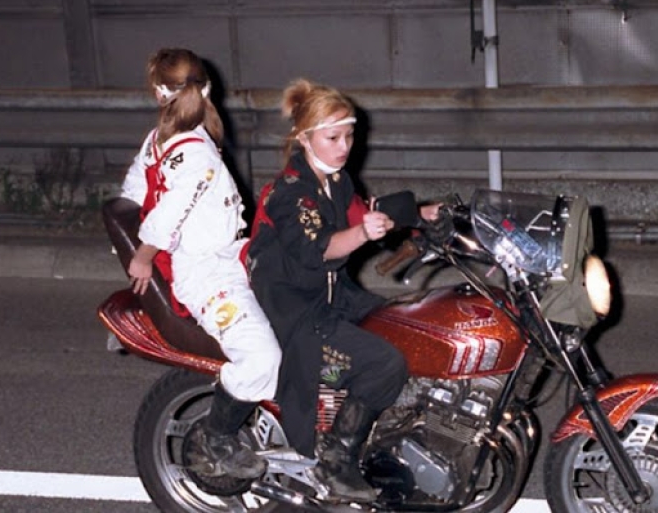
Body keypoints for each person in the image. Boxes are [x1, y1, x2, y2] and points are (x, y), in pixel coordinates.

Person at [247, 79, 438, 502]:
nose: (344, 145)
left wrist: (423, 215)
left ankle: (383, 424)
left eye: (349, 135)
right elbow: (320, 248)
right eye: (333, 137)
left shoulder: (337, 180)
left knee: (404, 324)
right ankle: (336, 455)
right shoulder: (290, 193)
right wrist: (362, 234)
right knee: (384, 363)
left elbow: (365, 215)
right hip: (296, 309)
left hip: (332, 295)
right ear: (305, 138)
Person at [120, 48, 281, 480]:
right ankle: (218, 437)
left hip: (226, 258)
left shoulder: (161, 141)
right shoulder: (195, 153)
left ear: (158, 92)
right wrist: (143, 255)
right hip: (209, 274)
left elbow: (131, 195)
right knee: (261, 356)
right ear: (207, 88)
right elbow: (166, 211)